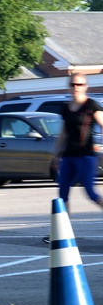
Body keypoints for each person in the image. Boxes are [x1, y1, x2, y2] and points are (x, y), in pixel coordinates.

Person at [56, 73, 103, 211]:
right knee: (62, 194)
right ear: (69, 87)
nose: (76, 87)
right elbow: (63, 134)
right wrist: (56, 155)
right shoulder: (66, 108)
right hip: (68, 156)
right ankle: (63, 230)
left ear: (85, 87)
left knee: (91, 193)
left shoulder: (91, 105)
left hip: (86, 156)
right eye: (73, 84)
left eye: (80, 84)